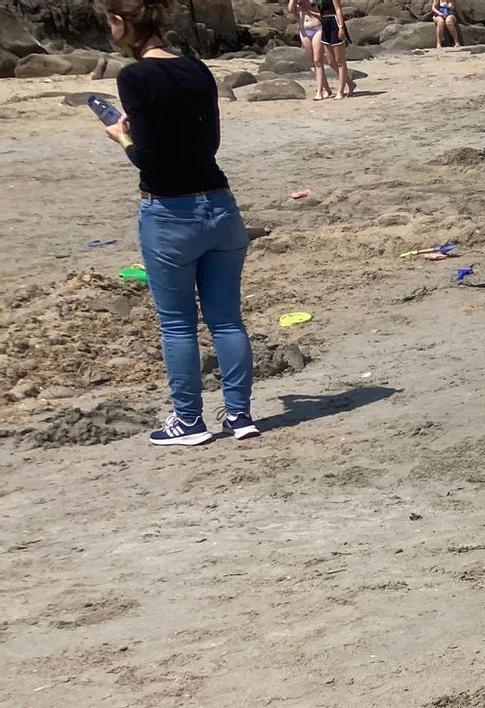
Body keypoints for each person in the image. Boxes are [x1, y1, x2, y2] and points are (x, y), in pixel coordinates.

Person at [102, 0, 255, 445]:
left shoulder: (133, 76)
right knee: (227, 320)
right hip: (220, 205)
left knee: (177, 324)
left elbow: (147, 156)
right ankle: (240, 416)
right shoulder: (197, 70)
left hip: (169, 212)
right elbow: (210, 142)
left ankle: (189, 421)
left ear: (121, 22)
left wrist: (121, 136)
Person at [313, 0, 354, 99]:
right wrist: (306, 10)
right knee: (331, 61)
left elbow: (338, 9)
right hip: (325, 24)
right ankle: (350, 83)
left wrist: (341, 27)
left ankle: (341, 90)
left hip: (334, 22)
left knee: (340, 60)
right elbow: (320, 12)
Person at [285, 0, 319, 69]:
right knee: (312, 59)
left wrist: (307, 3)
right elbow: (291, 10)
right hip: (304, 29)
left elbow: (319, 9)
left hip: (317, 27)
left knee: (317, 59)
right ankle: (321, 78)